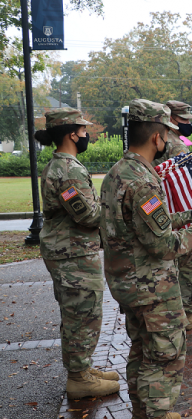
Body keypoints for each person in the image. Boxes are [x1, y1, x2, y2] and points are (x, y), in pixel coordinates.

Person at [100, 99, 192, 419]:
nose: (169, 141)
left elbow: (146, 227)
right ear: (156, 137)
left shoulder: (118, 172)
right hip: (150, 286)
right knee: (165, 355)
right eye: (167, 133)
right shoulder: (142, 182)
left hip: (129, 282)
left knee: (142, 351)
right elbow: (164, 245)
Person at [35, 108, 121, 400]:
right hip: (72, 254)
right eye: (84, 131)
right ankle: (79, 377)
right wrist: (113, 207)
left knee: (76, 313)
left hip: (69, 252)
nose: (86, 135)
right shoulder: (68, 170)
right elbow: (87, 216)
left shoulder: (61, 165)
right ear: (72, 133)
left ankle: (81, 368)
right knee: (83, 314)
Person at [152, 100, 192, 330]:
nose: (188, 124)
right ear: (172, 119)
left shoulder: (161, 139)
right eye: (184, 120)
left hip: (165, 213)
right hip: (180, 214)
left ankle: (176, 308)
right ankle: (188, 312)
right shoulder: (176, 146)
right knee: (189, 264)